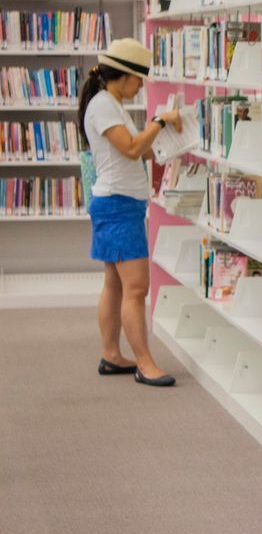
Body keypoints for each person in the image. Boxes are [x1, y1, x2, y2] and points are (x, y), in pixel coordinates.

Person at [79, 38, 182, 387]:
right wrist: (160, 121)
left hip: (119, 205)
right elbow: (131, 148)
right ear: (122, 76)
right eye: (139, 79)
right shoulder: (104, 105)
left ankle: (111, 355)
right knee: (137, 288)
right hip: (118, 206)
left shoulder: (110, 104)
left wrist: (166, 143)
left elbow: (138, 150)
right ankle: (145, 363)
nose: (141, 86)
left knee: (115, 284)